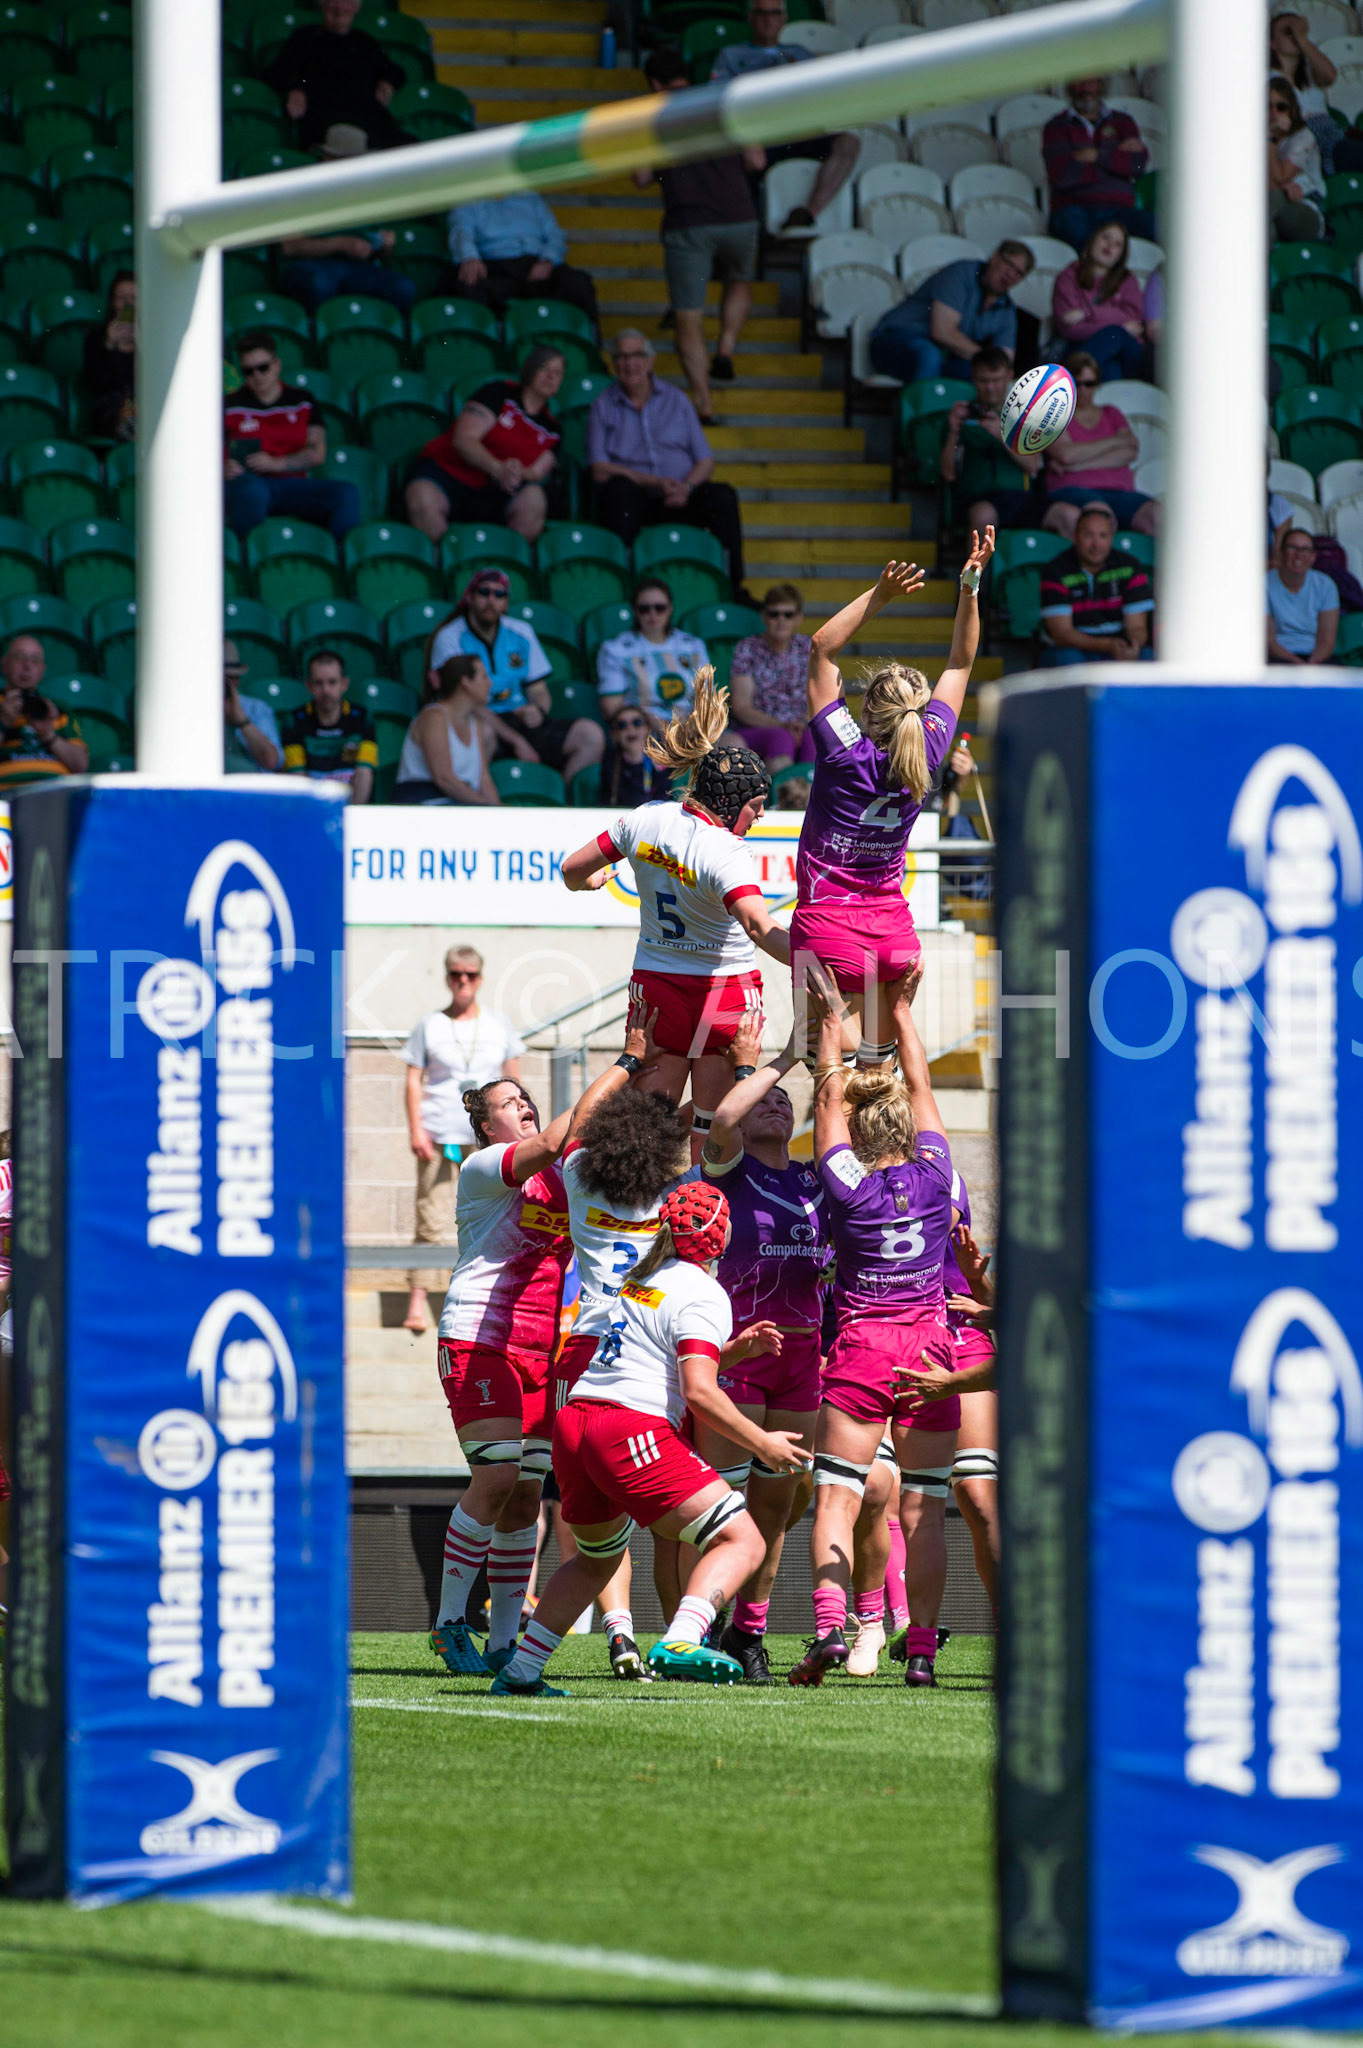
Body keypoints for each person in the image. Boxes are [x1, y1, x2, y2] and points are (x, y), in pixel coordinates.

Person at [490, 1179, 811, 1695]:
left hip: (576, 1424)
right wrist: (762, 1443)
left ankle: (520, 1673)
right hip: (628, 1427)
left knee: (596, 1558)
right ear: (722, 1239)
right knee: (742, 1537)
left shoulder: (643, 1276)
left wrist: (735, 1351)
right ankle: (683, 1637)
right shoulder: (704, 1290)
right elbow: (699, 1393)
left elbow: (661, 1362)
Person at [790, 975, 961, 1689]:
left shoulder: (845, 1184)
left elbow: (828, 1099)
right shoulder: (937, 1174)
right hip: (929, 1350)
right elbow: (920, 1085)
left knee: (837, 1496)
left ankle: (831, 1624)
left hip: (863, 1351)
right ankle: (918, 1648)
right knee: (922, 1506)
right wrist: (897, 1011)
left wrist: (833, 1022)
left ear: (859, 1132)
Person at [562, 672, 791, 1159]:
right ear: (730, 803)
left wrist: (592, 881)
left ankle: (637, 1224)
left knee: (646, 1133)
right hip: (724, 989)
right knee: (713, 1132)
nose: (760, 817)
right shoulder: (725, 849)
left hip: (658, 987)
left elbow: (570, 869)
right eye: (756, 806)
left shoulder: (646, 817)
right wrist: (818, 960)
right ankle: (705, 1229)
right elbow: (757, 926)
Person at [790, 531, 995, 1069]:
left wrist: (881, 593)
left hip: (827, 929)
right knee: (879, 1079)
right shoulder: (927, 750)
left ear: (867, 709)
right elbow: (961, 661)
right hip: (893, 936)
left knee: (825, 1067)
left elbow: (819, 647)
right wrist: (969, 586)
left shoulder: (842, 751)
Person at [553, 1000, 692, 1676]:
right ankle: (686, 1627)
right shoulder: (664, 1198)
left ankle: (619, 1630)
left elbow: (576, 1128)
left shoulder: (581, 1180)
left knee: (599, 1524)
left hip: (583, 1346)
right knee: (658, 1505)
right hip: (644, 1350)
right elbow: (699, 1132)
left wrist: (629, 1057)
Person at [429, 1075, 577, 1677]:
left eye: (526, 1100)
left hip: (543, 1346)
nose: (523, 1107)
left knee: (525, 1497)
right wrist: (627, 1067)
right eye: (508, 1104)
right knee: (497, 1474)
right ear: (487, 1128)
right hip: (479, 1335)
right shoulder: (485, 1165)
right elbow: (548, 1144)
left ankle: (503, 1640)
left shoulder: (568, 1177)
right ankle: (448, 1625)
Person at [698, 1016, 827, 1685]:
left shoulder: (814, 1182)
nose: (774, 1102)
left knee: (776, 1505)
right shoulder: (729, 1170)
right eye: (761, 1100)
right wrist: (774, 1062)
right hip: (739, 1351)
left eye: (785, 1098)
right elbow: (722, 1122)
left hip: (802, 1357)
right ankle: (694, 1626)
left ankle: (747, 1630)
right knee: (720, 1503)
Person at [401, 942, 523, 1334]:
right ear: (447, 977)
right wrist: (416, 1128)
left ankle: (492, 1294)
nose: (463, 982)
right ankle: (418, 1300)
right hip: (439, 1135)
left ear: (480, 979)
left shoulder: (498, 1024)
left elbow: (514, 1081)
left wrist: (518, 1131)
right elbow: (413, 1080)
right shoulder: (430, 1025)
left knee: (496, 1216)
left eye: (470, 975)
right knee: (430, 1217)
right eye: (456, 975)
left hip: (488, 1138)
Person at [637, 50, 761, 423]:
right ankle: (726, 347)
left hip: (688, 222)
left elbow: (641, 178)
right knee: (740, 280)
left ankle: (704, 402)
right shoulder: (721, 103)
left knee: (689, 319)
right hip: (740, 215)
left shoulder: (651, 115)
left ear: (655, 84)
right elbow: (756, 161)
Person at [587, 330, 748, 597]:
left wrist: (686, 487)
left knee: (723, 495)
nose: (630, 363)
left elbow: (705, 460)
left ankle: (732, 587)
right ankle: (628, 590)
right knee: (618, 491)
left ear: (650, 360)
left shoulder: (677, 400)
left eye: (637, 355)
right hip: (638, 499)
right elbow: (598, 468)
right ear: (614, 363)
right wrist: (652, 482)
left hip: (682, 495)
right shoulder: (602, 405)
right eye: (622, 356)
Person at [426, 571, 603, 789]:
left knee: (590, 735)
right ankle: (478, 807)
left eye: (499, 594)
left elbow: (538, 689)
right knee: (485, 734)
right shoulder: (450, 636)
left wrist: (538, 710)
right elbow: (460, 701)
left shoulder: (521, 631)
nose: (491, 600)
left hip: (519, 718)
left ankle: (560, 800)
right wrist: (517, 741)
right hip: (478, 719)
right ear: (470, 597)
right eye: (484, 592)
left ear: (506, 602)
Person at [709, 0, 860, 235]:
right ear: (751, 18)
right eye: (761, 13)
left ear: (783, 19)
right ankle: (744, 235)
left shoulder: (799, 54)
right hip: (758, 136)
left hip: (797, 133)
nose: (768, 20)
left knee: (849, 142)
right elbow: (719, 99)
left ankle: (807, 215)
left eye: (774, 14)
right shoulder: (732, 55)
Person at [405, 348, 564, 544]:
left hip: (498, 490)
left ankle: (507, 569)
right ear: (529, 370)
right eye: (544, 369)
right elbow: (463, 440)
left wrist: (515, 472)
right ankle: (443, 564)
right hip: (448, 473)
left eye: (557, 373)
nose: (550, 377)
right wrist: (498, 468)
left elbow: (536, 473)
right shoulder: (498, 393)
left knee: (534, 498)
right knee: (422, 496)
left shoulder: (553, 429)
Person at [224, 330, 360, 541]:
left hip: (293, 484)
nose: (257, 376)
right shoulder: (230, 404)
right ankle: (247, 554)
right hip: (247, 484)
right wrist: (222, 467)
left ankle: (341, 559)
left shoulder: (302, 400)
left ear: (276, 364)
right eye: (248, 371)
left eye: (263, 368)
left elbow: (317, 452)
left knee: (346, 494)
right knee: (251, 490)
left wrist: (276, 463)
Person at [278, 129, 415, 310]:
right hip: (312, 265)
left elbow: (376, 244)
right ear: (328, 158)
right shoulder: (302, 188)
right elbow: (290, 246)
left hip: (357, 268)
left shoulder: (366, 193)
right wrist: (340, 244)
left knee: (402, 288)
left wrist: (385, 245)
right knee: (317, 283)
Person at [867, 242, 1033, 387]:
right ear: (995, 257)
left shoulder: (1007, 309)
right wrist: (986, 359)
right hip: (893, 340)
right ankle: (920, 421)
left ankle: (971, 422)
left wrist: (992, 369)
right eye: (1008, 265)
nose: (1011, 275)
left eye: (1018, 273)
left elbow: (1003, 362)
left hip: (944, 357)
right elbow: (942, 332)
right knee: (928, 355)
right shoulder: (961, 273)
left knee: (982, 376)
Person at [263, 0, 410, 151]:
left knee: (413, 148)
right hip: (326, 124)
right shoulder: (305, 38)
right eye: (333, 2)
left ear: (356, 8)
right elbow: (276, 72)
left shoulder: (364, 42)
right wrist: (295, 89)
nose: (340, 8)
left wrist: (388, 82)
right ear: (322, 6)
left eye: (347, 2)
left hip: (369, 122)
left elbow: (396, 71)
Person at [1041, 352, 1158, 540]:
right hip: (1073, 490)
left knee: (1158, 515)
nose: (1083, 390)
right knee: (1099, 516)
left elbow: (1130, 451)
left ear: (1098, 385)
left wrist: (1076, 465)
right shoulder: (1055, 415)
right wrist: (1114, 441)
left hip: (1120, 491)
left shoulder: (1111, 413)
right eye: (1077, 384)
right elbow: (1065, 455)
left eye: (1089, 384)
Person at [446, 191, 598, 324]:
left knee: (579, 283)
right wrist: (470, 257)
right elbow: (461, 233)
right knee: (469, 282)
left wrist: (547, 260)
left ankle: (588, 350)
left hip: (538, 265)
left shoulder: (529, 196)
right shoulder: (468, 198)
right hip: (496, 267)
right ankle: (488, 350)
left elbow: (555, 235)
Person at [939, 346, 1041, 536]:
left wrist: (1003, 436)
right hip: (977, 498)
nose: (990, 387)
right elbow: (948, 474)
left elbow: (1032, 465)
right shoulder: (961, 417)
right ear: (973, 378)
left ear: (1010, 376)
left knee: (1065, 516)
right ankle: (974, 568)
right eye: (983, 380)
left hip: (1020, 498)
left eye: (996, 380)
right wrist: (953, 432)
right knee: (983, 517)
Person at [1043, 77, 1155, 251]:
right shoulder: (1055, 126)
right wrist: (1117, 159)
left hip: (1121, 209)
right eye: (1079, 80)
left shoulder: (1123, 121)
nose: (1086, 87)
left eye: (1092, 80)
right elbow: (1062, 175)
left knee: (1161, 229)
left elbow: (1138, 168)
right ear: (1069, 86)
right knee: (1080, 238)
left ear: (1102, 83)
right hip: (1074, 209)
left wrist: (1095, 155)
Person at [596, 577, 710, 737]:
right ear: (635, 611)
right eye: (644, 609)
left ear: (670, 608)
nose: (652, 614)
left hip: (692, 730)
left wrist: (693, 728)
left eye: (660, 608)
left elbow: (705, 699)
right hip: (643, 731)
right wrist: (658, 725)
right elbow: (612, 708)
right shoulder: (615, 649)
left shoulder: (693, 646)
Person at [1039, 505, 1153, 664]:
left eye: (1103, 536)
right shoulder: (1056, 571)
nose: (1096, 544)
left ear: (1112, 538)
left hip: (1117, 648)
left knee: (1147, 656)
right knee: (1068, 658)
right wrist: (1107, 645)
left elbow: (1137, 628)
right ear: (1075, 536)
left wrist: (1131, 646)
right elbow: (1062, 634)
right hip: (1075, 649)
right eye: (1088, 535)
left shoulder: (1130, 567)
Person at [395, 651, 501, 807]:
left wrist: (500, 812)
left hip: (459, 806)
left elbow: (483, 778)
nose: (490, 683)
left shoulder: (475, 724)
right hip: (422, 807)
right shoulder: (434, 717)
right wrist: (486, 807)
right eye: (484, 677)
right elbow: (444, 778)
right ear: (466, 682)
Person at [727, 584, 814, 772]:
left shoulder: (809, 647)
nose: (781, 620)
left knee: (814, 739)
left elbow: (821, 697)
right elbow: (742, 707)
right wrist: (783, 725)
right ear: (764, 616)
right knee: (781, 738)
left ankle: (809, 796)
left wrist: (800, 725)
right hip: (759, 728)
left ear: (799, 617)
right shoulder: (747, 648)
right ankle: (780, 797)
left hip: (802, 727)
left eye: (788, 614)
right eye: (774, 614)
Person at [1051, 220, 1148, 384]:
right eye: (1105, 237)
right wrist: (1119, 327)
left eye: (1117, 244)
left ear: (1121, 254)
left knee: (1116, 336)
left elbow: (1135, 319)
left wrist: (1087, 313)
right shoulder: (1068, 276)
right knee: (1111, 368)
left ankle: (1063, 383)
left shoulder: (1128, 280)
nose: (1109, 245)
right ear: (1093, 239)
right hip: (1082, 346)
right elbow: (1069, 327)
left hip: (1127, 354)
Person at [281, 648, 377, 800]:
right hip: (312, 807)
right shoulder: (294, 720)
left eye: (332, 682)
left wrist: (351, 815)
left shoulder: (362, 717)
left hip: (351, 805)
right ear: (308, 685)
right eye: (318, 683)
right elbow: (297, 776)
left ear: (344, 684)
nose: (326, 690)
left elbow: (365, 771)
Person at [0, 636, 87, 776]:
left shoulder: (56, 709)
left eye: (35, 660)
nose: (27, 665)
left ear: (42, 670)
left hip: (55, 793)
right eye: (19, 657)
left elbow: (80, 766)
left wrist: (48, 735)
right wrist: (3, 722)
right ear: (4, 664)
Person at [1270, 9, 1341, 174]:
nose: (1294, 36)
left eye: (1298, 30)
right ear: (1272, 43)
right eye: (1288, 31)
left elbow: (1330, 76)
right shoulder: (1268, 77)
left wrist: (1303, 40)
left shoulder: (1310, 72)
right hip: (1298, 137)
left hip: (1330, 135)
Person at [1267, 529, 1340, 664]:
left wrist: (1311, 664)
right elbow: (1269, 642)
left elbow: (1327, 641)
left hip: (1316, 657)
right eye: (1292, 548)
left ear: (1313, 557)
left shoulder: (1326, 585)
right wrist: (1299, 665)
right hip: (1277, 657)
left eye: (1305, 549)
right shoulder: (1263, 584)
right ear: (1281, 553)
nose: (1298, 555)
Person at [81, 271, 136, 442]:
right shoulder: (97, 337)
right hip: (111, 413)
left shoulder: (155, 338)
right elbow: (95, 384)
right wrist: (109, 346)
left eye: (133, 298)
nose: (128, 304)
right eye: (122, 298)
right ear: (113, 302)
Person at [1270, 78, 1326, 243]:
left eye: (1281, 107)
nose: (1274, 113)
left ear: (1291, 109)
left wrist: (1270, 139)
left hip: (1305, 207)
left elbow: (1280, 178)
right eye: (1267, 107)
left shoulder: (1303, 137)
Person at [598, 702, 671, 807]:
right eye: (622, 725)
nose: (630, 729)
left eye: (637, 723)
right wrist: (636, 761)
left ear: (647, 728)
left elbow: (665, 799)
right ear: (615, 734)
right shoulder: (609, 763)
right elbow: (626, 803)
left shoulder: (662, 760)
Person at [223, 639, 280, 770]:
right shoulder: (195, 709)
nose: (227, 684)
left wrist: (243, 721)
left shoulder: (256, 708)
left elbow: (271, 762)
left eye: (233, 677)